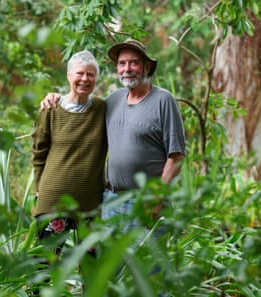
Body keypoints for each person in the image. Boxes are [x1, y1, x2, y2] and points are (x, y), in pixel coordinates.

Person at [41, 38, 185, 233]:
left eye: (133, 62)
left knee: (146, 262)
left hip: (146, 201)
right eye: (122, 63)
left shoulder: (163, 100)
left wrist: (157, 198)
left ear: (146, 66)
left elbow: (176, 156)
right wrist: (55, 97)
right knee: (111, 263)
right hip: (111, 201)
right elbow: (79, 104)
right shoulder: (111, 101)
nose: (127, 68)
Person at [31, 50, 107, 255]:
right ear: (68, 75)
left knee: (92, 269)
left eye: (90, 74)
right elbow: (38, 152)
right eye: (79, 73)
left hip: (91, 203)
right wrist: (38, 189)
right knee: (45, 264)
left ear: (96, 78)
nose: (85, 79)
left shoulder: (103, 109)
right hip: (54, 200)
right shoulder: (51, 108)